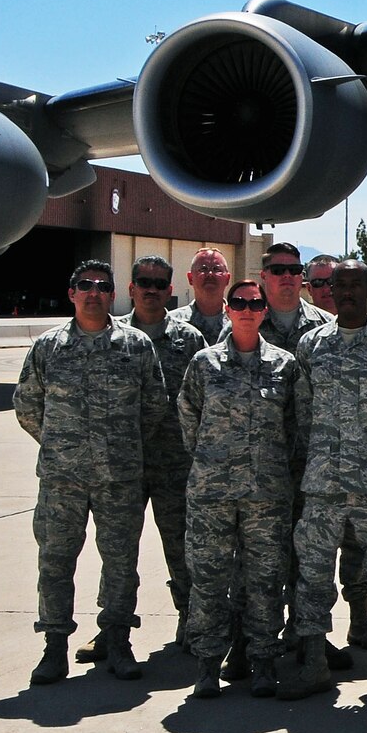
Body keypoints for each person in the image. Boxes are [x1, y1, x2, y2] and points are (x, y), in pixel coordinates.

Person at [15, 261, 168, 686]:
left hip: (119, 478)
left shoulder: (135, 345)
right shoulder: (49, 347)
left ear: (113, 295)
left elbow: (154, 405)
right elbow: (27, 405)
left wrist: (121, 447)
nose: (94, 293)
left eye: (103, 286)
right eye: (85, 286)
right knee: (55, 562)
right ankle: (54, 648)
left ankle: (117, 640)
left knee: (121, 562)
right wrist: (61, 444)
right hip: (63, 479)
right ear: (72, 293)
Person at [280, 261, 367, 702]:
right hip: (322, 484)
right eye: (338, 285)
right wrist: (316, 461)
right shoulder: (311, 345)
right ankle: (314, 664)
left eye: (355, 285)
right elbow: (302, 413)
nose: (345, 292)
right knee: (313, 576)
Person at [177, 276, 298, 699]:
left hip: (267, 496)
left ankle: (263, 659)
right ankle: (208, 663)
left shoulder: (284, 365)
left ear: (265, 311)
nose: (247, 308)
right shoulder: (204, 364)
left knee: (265, 582)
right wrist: (214, 464)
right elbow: (189, 420)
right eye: (239, 302)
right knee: (209, 581)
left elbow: (293, 427)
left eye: (255, 302)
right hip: (212, 495)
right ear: (227, 309)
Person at [260, 240, 364, 655]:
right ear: (264, 275)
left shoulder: (322, 327)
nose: (287, 276)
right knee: (270, 553)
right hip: (263, 462)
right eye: (278, 269)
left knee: (315, 555)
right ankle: (271, 635)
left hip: (317, 464)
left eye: (293, 270)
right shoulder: (244, 319)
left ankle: (312, 636)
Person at [121, 255, 207, 648]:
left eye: (159, 282)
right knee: (118, 551)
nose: (151, 288)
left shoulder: (189, 340)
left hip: (177, 465)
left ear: (171, 290)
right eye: (144, 281)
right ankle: (114, 626)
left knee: (182, 547)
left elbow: (207, 398)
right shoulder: (114, 336)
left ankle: (191, 619)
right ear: (131, 288)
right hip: (124, 465)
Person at [172, 247, 231, 344]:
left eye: (217, 269)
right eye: (203, 269)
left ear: (228, 278)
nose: (210, 274)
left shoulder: (242, 322)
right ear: (190, 278)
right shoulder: (172, 322)